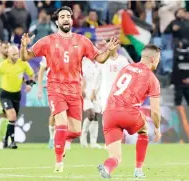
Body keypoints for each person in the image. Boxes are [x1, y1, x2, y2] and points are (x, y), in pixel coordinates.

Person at [20, 6, 119, 172]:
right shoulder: (47, 41)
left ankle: (59, 142)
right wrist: (23, 46)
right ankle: (59, 162)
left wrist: (108, 51)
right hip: (55, 88)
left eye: (68, 16)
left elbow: (100, 59)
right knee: (62, 124)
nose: (66, 18)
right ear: (57, 21)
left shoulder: (82, 41)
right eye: (62, 16)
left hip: (74, 89)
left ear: (71, 20)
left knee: (76, 131)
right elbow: (25, 57)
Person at [97, 44, 162, 179]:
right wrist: (157, 128)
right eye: (158, 59)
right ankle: (138, 170)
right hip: (128, 113)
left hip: (109, 113)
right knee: (144, 129)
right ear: (153, 60)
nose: (159, 61)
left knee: (116, 157)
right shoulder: (152, 78)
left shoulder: (126, 68)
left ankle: (107, 168)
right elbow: (155, 111)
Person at [0, 45, 35, 149]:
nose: (16, 56)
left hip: (16, 94)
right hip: (5, 94)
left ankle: (5, 140)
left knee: (12, 119)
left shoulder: (23, 63)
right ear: (8, 54)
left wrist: (29, 84)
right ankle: (12, 142)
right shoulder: (3, 65)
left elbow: (31, 74)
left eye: (17, 54)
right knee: (12, 115)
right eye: (13, 54)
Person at [80, 57, 102, 149]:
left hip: (98, 92)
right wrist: (81, 89)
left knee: (96, 116)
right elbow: (81, 77)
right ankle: (83, 135)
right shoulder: (84, 62)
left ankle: (93, 142)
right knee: (91, 114)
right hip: (86, 92)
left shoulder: (99, 63)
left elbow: (100, 79)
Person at [38, 57, 55, 149]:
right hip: (53, 86)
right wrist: (39, 88)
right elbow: (41, 71)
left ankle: (60, 138)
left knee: (64, 114)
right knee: (54, 113)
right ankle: (52, 138)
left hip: (66, 86)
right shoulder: (48, 53)